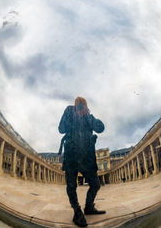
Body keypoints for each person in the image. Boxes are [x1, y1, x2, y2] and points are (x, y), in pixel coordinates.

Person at [58, 97, 106, 227]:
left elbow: (101, 128)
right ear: (74, 106)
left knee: (95, 184)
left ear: (86, 107)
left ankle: (89, 207)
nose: (80, 109)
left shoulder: (88, 117)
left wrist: (90, 116)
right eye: (78, 106)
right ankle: (77, 211)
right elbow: (61, 129)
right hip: (71, 155)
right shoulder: (69, 112)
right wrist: (69, 113)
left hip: (87, 156)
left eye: (82, 106)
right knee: (71, 185)